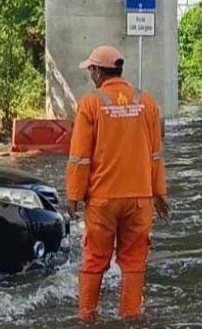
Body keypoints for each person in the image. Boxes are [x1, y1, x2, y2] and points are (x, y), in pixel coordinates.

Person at [66, 46, 170, 321]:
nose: (90, 74)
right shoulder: (146, 102)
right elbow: (156, 153)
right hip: (140, 199)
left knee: (94, 261)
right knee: (134, 262)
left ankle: (87, 317)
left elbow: (79, 157)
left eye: (91, 70)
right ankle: (131, 318)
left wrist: (73, 196)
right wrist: (159, 193)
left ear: (99, 72)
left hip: (103, 200)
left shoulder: (90, 104)